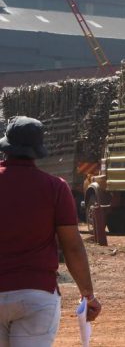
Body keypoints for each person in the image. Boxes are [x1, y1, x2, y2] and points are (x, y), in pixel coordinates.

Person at [0, 116, 102, 346]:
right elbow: (72, 246)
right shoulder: (56, 187)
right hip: (37, 296)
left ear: (6, 147)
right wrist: (87, 294)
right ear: (37, 149)